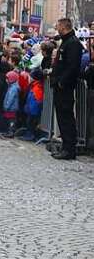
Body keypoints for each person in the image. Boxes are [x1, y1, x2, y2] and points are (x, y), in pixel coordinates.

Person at [50, 17, 82, 160]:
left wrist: (62, 82)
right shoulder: (66, 42)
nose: (57, 28)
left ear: (63, 27)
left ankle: (69, 149)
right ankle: (65, 147)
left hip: (65, 87)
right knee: (62, 118)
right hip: (60, 86)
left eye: (58, 26)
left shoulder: (73, 43)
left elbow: (72, 66)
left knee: (66, 118)